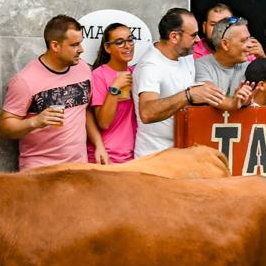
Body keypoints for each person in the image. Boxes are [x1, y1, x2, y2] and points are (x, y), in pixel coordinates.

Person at [0, 15, 95, 170]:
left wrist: (99, 145)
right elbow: (3, 128)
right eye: (74, 45)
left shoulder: (83, 69)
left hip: (78, 168)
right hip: (41, 171)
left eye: (80, 43)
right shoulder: (24, 80)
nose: (81, 49)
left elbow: (85, 110)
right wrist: (35, 122)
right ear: (55, 46)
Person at [132, 8, 224, 157]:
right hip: (155, 158)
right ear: (174, 37)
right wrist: (188, 96)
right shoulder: (150, 66)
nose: (198, 40)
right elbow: (147, 112)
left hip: (182, 154)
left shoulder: (186, 55)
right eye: (193, 35)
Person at [87, 23, 137, 164]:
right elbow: (103, 123)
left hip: (132, 156)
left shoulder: (136, 73)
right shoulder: (99, 75)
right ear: (107, 47)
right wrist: (114, 89)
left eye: (130, 40)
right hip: (106, 157)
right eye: (120, 42)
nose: (127, 46)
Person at [193, 17, 255, 111]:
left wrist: (246, 101)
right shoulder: (201, 64)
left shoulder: (249, 66)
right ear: (225, 44)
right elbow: (209, 94)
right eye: (243, 40)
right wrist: (233, 104)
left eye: (249, 39)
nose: (250, 45)